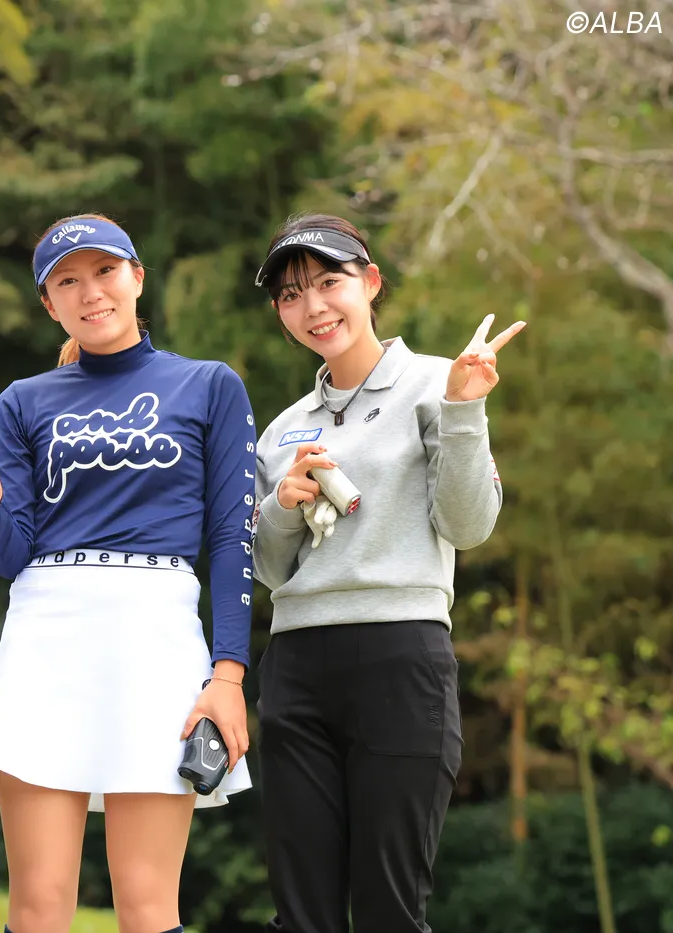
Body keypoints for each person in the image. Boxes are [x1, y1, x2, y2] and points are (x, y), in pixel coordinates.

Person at [0, 214, 257, 933]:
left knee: (148, 904)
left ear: (136, 278)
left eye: (104, 271)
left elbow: (231, 540)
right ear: (48, 303)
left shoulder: (210, 386)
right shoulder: (23, 400)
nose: (90, 291)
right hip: (46, 638)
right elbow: (10, 557)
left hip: (157, 640)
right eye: (67, 281)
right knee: (38, 904)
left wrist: (228, 676)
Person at [250, 213, 525, 933]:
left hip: (401, 655)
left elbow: (469, 526)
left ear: (370, 283)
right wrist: (282, 505)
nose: (313, 307)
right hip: (297, 666)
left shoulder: (440, 382)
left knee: (389, 911)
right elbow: (271, 571)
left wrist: (464, 409)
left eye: (329, 283)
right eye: (290, 295)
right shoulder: (281, 430)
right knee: (301, 914)